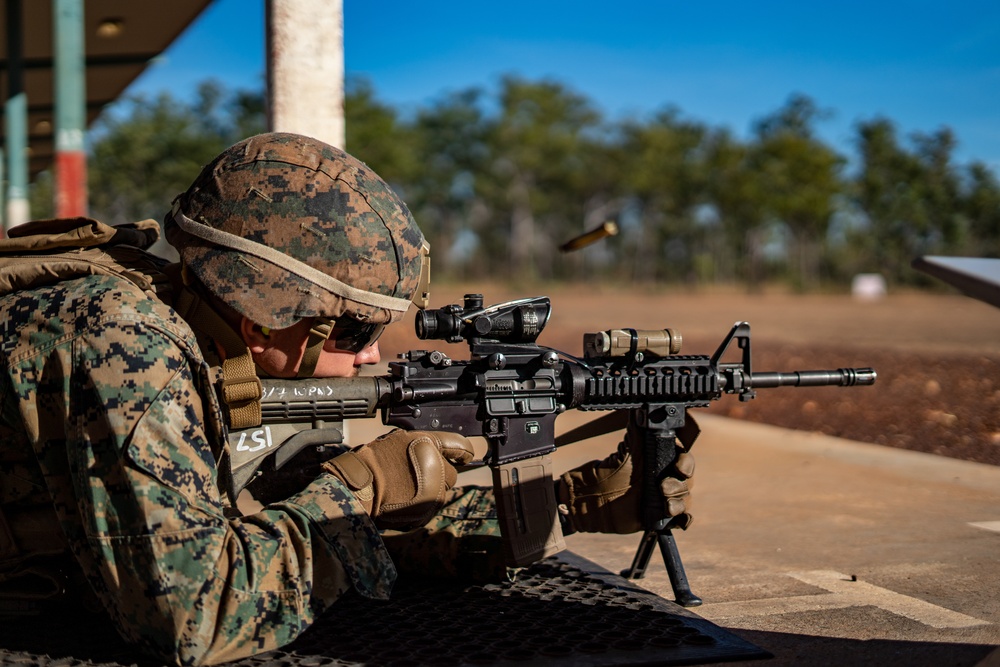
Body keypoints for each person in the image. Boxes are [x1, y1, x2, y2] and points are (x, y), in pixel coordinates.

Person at [0, 132, 695, 665]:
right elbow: (195, 616)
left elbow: (281, 518)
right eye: (357, 328)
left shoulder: (205, 344)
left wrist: (572, 503)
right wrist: (354, 488)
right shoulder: (123, 343)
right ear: (262, 316)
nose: (372, 355)